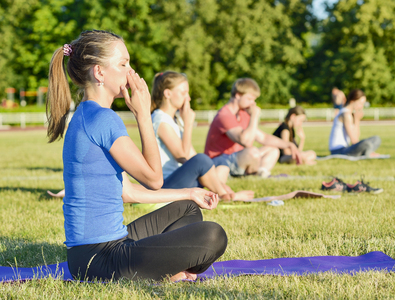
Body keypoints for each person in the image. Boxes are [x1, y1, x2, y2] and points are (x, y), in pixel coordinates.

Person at [46, 30, 227, 282]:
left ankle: (162, 269)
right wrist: (143, 114)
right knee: (213, 235)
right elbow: (154, 180)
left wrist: (189, 193)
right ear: (99, 73)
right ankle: (166, 272)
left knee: (187, 209)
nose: (131, 72)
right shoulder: (103, 118)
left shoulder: (86, 115)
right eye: (123, 64)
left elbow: (127, 192)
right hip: (100, 259)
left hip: (92, 254)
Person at [150, 71, 254, 201]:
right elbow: (181, 156)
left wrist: (217, 182)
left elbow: (191, 155)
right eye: (183, 93)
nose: (188, 98)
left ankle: (219, 192)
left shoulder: (174, 119)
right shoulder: (160, 120)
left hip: (181, 180)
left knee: (219, 161)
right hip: (166, 187)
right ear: (167, 93)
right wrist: (188, 124)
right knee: (202, 160)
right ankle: (224, 196)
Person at [204, 78, 301, 181]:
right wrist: (254, 116)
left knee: (273, 150)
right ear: (238, 95)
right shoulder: (224, 115)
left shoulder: (242, 114)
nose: (253, 104)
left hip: (238, 158)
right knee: (252, 152)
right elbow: (246, 141)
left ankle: (261, 174)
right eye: (250, 99)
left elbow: (262, 137)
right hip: (219, 162)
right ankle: (250, 173)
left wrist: (288, 145)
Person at [328, 89, 381, 157]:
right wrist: (357, 120)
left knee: (376, 139)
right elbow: (354, 140)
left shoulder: (349, 113)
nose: (361, 106)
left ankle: (367, 152)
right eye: (360, 103)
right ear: (352, 101)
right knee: (366, 144)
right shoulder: (346, 114)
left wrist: (356, 119)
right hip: (338, 151)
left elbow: (356, 137)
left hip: (345, 148)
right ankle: (368, 153)